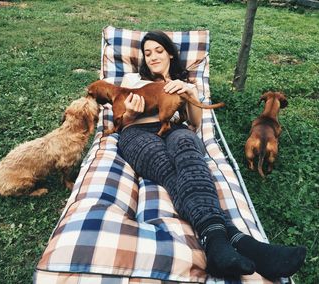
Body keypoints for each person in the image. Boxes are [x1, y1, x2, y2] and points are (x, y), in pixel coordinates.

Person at [117, 31, 306, 280]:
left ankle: (217, 245)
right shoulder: (133, 79)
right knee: (170, 172)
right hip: (138, 132)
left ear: (170, 53)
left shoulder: (183, 84)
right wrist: (130, 114)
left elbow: (195, 124)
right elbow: (120, 119)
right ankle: (239, 241)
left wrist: (191, 95)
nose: (152, 57)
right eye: (147, 53)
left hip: (175, 129)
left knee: (189, 154)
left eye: (158, 51)